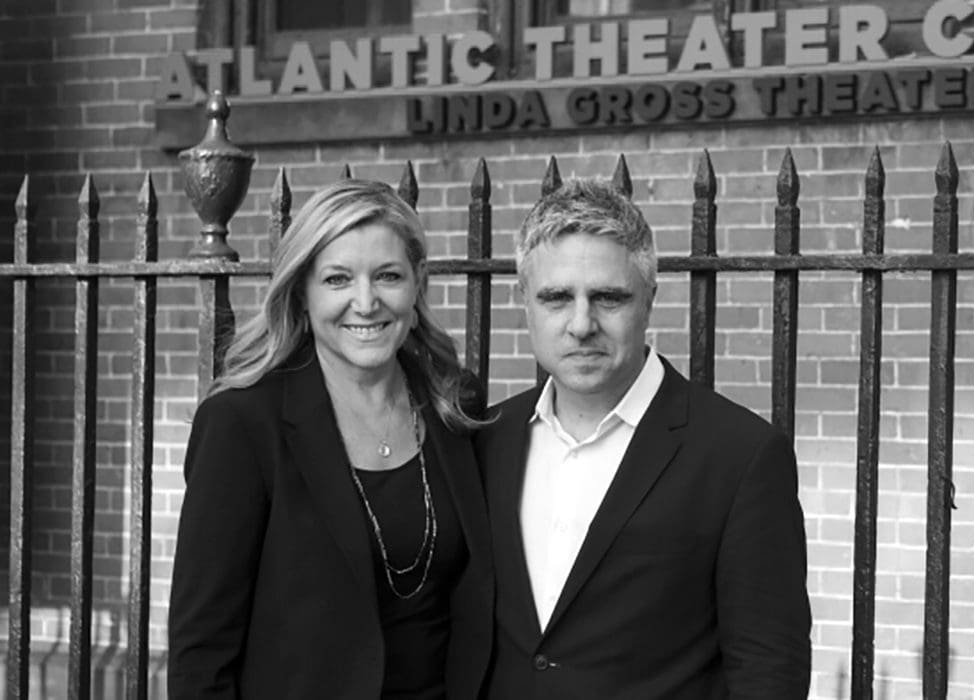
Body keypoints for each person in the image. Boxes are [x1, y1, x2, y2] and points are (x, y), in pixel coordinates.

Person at [476, 178, 812, 698]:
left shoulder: (740, 455)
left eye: (608, 297)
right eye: (557, 298)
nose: (581, 323)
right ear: (525, 301)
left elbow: (769, 666)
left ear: (649, 300)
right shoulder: (486, 440)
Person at [168, 179, 494, 699]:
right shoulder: (242, 423)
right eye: (338, 279)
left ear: (416, 284)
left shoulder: (454, 405)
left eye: (387, 275)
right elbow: (200, 650)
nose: (365, 303)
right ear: (302, 292)